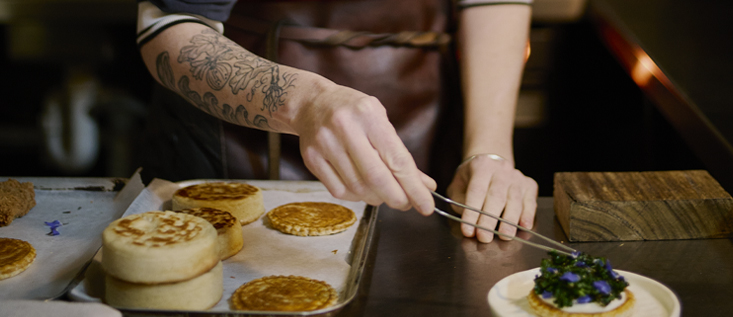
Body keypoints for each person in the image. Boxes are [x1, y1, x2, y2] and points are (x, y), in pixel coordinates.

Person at [135, 0, 538, 243]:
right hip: (233, 144)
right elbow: (168, 27)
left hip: (428, 117)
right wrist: (305, 102)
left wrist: (491, 152)